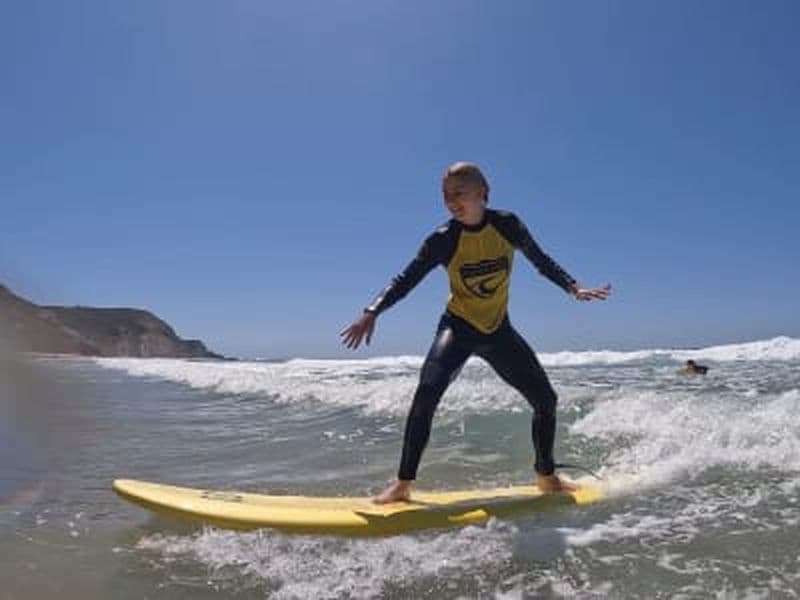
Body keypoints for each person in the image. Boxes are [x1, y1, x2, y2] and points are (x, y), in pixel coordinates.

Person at [340, 162, 611, 504]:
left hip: (498, 331)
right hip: (459, 327)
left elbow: (540, 260)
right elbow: (405, 279)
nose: (451, 201)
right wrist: (372, 311)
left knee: (546, 400)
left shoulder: (507, 225)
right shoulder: (443, 239)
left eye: (459, 193)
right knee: (426, 394)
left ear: (483, 193)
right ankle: (403, 485)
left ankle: (547, 476)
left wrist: (573, 287)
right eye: (445, 195)